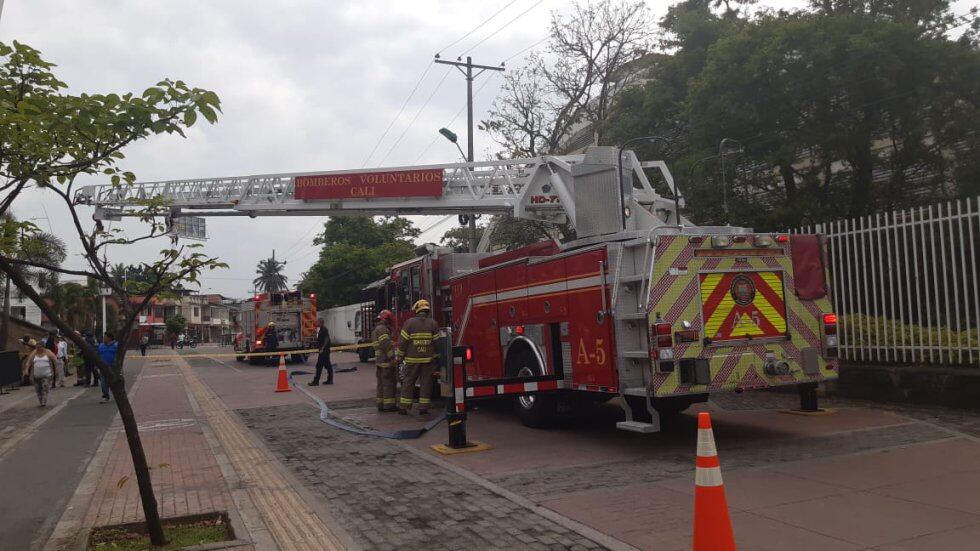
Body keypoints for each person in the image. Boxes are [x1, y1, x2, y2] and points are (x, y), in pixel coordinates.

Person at [397, 299, 439, 415]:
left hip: (412, 360)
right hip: (428, 360)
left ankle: (404, 407)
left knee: (408, 382)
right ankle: (423, 408)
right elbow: (437, 343)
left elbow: (403, 342)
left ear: (417, 310)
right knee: (426, 383)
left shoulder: (409, 323)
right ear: (427, 310)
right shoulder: (433, 323)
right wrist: (437, 356)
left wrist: (399, 356)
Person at [372, 309, 396, 412]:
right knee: (388, 384)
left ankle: (380, 404)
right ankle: (389, 406)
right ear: (386, 319)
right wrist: (392, 357)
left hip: (379, 361)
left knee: (381, 384)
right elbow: (386, 345)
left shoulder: (376, 329)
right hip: (386, 361)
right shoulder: (383, 329)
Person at [27, 340, 57, 407]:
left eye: (40, 347)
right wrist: (26, 370)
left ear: (43, 347)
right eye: (37, 347)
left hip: (47, 374)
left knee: (45, 387)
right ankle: (41, 400)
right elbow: (29, 362)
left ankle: (44, 401)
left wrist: (56, 370)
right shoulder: (34, 353)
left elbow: (55, 360)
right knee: (38, 390)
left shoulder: (48, 352)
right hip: (36, 375)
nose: (38, 348)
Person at [309, 318, 332, 386]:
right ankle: (330, 380)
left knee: (319, 366)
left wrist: (322, 348)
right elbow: (320, 340)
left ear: (320, 322)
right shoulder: (320, 329)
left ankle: (316, 381)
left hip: (324, 351)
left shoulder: (324, 329)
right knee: (328, 365)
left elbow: (326, 339)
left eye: (317, 322)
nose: (316, 323)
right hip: (323, 351)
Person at [97, 332, 119, 403]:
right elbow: (98, 355)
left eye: (105, 337)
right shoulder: (101, 346)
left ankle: (118, 396)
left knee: (114, 382)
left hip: (113, 367)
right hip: (103, 367)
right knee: (103, 383)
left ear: (109, 338)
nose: (104, 338)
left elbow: (119, 356)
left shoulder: (116, 345)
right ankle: (106, 396)